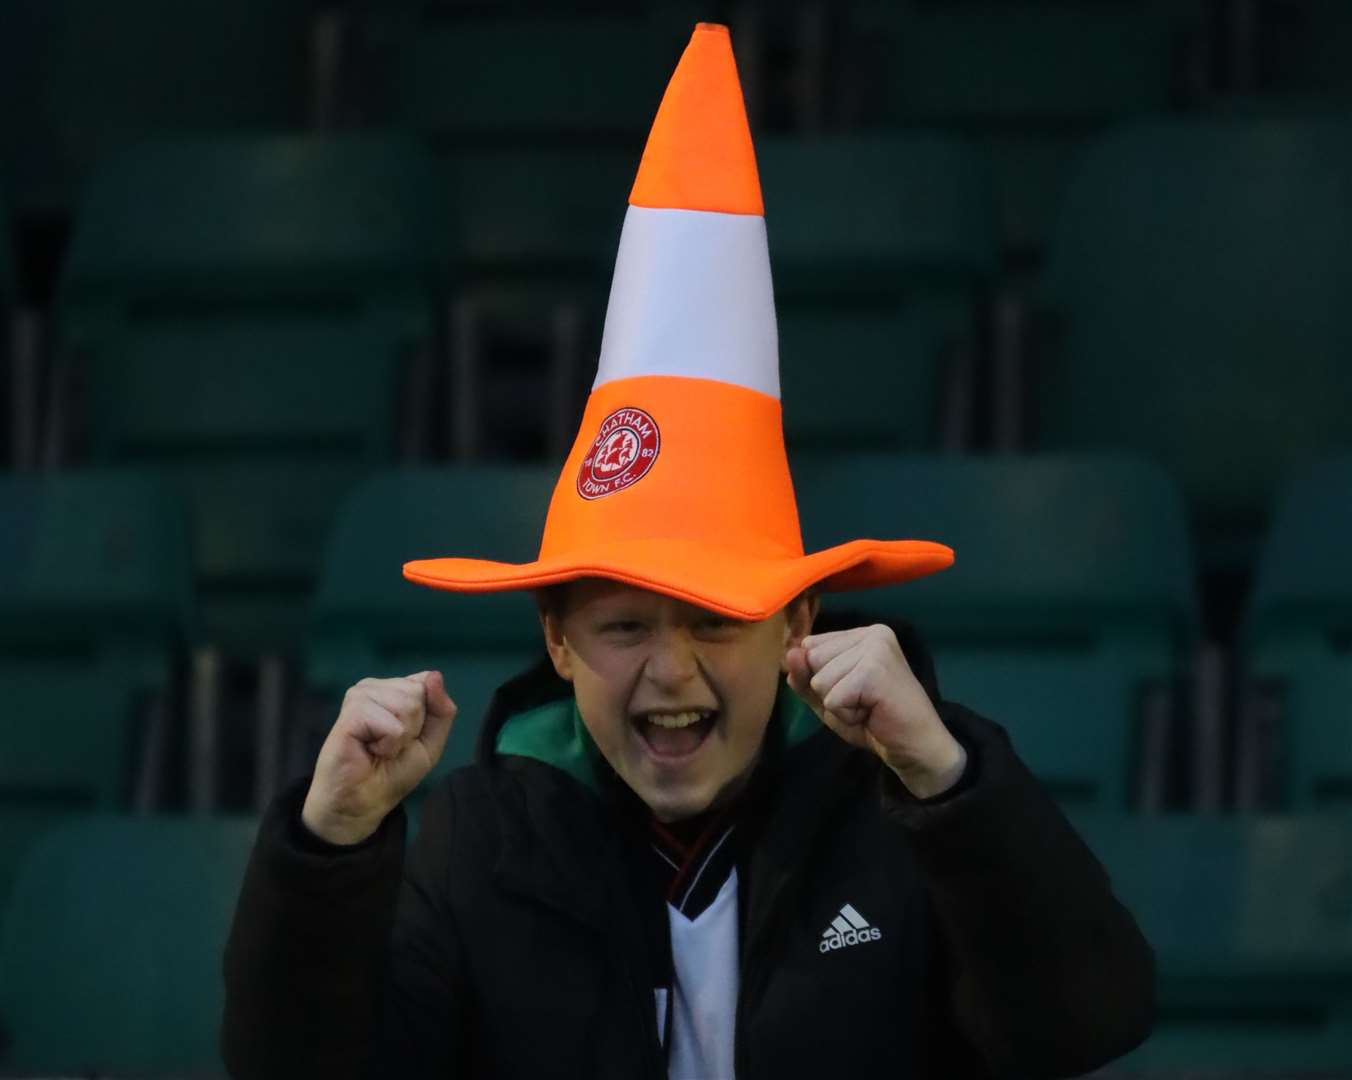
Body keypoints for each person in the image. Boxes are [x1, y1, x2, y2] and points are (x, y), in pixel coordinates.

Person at [221, 23, 1153, 1080]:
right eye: (622, 626)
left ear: (798, 623)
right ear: (557, 642)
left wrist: (944, 783)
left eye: (714, 617)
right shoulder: (484, 836)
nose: (670, 672)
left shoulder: (911, 794)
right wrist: (329, 844)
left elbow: (1090, 1023)